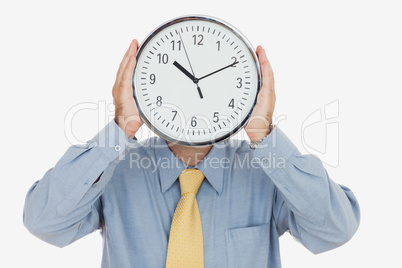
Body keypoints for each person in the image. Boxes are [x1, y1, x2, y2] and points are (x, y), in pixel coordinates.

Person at [23, 39, 360, 268]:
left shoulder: (265, 172)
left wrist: (265, 135)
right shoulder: (115, 170)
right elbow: (44, 223)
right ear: (147, 90)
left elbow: (335, 230)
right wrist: (120, 127)